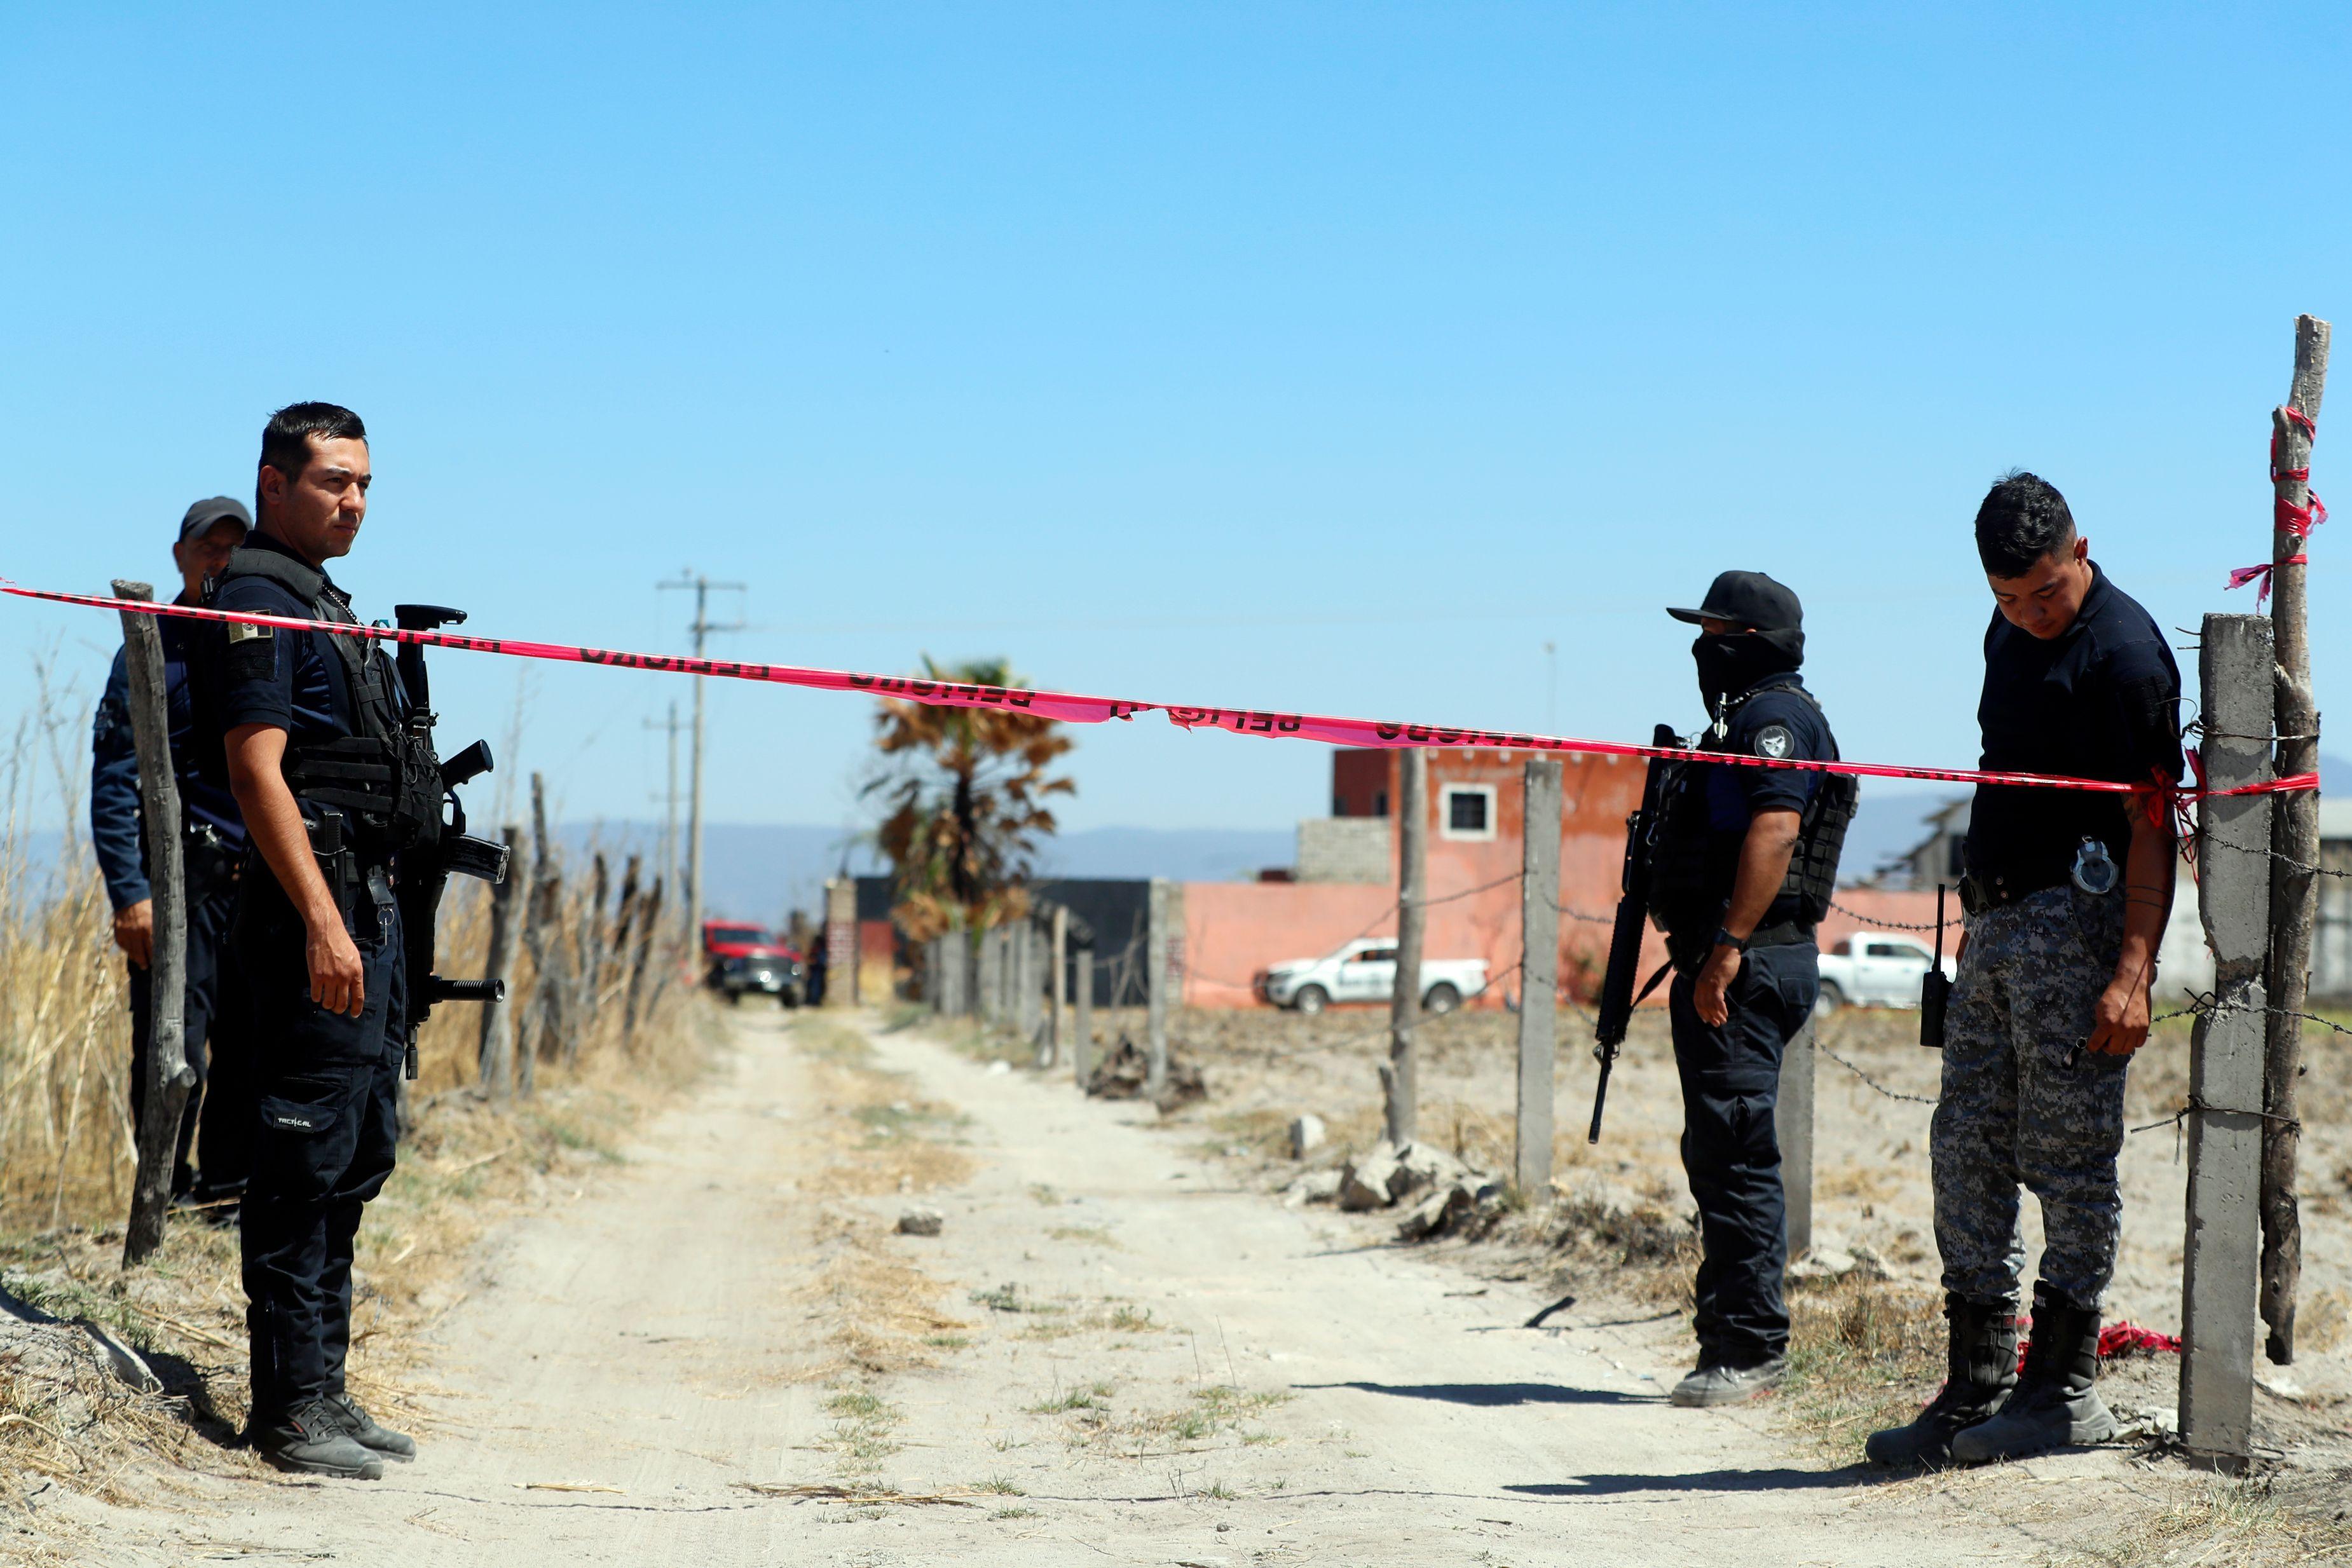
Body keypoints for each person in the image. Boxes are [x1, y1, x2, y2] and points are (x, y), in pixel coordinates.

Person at [1868, 474, 2180, 1467]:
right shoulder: (2005, 633)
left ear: (2083, 550)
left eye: (2045, 592)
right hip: (1994, 922)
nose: (2030, 614)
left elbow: (2153, 822)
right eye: (2008, 598)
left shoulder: (2128, 656)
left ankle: (2061, 1388)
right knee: (1967, 1144)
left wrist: (2134, 967)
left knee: (2070, 1156)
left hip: (2077, 924)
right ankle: (1977, 1382)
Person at [202, 403, 420, 1481]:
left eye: (365, 483)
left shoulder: (321, 600)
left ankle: (325, 1386)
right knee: (298, 1158)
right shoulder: (257, 594)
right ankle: (285, 1411)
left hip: (363, 905)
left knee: (355, 1149)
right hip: (311, 916)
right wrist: (325, 924)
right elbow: (256, 771)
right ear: (274, 482)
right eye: (334, 481)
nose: (355, 502)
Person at [1650, 571, 1851, 1407]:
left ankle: (1753, 1349)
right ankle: (1723, 1340)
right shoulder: (1748, 715)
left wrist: (1727, 946)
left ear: (1748, 640)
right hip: (1736, 956)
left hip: (1750, 959)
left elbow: (1776, 828)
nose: (1704, 646)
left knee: (1737, 1154)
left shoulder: (1774, 720)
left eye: (1716, 632)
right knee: (1717, 1153)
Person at [92, 497, 254, 1207]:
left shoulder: (262, 639)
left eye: (232, 548)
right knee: (171, 1047)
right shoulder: (147, 647)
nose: (219, 560)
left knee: (249, 1046)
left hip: (258, 884)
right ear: (179, 555)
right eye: (208, 547)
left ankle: (224, 1196)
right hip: (178, 882)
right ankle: (160, 1194)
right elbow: (114, 776)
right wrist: (130, 893)